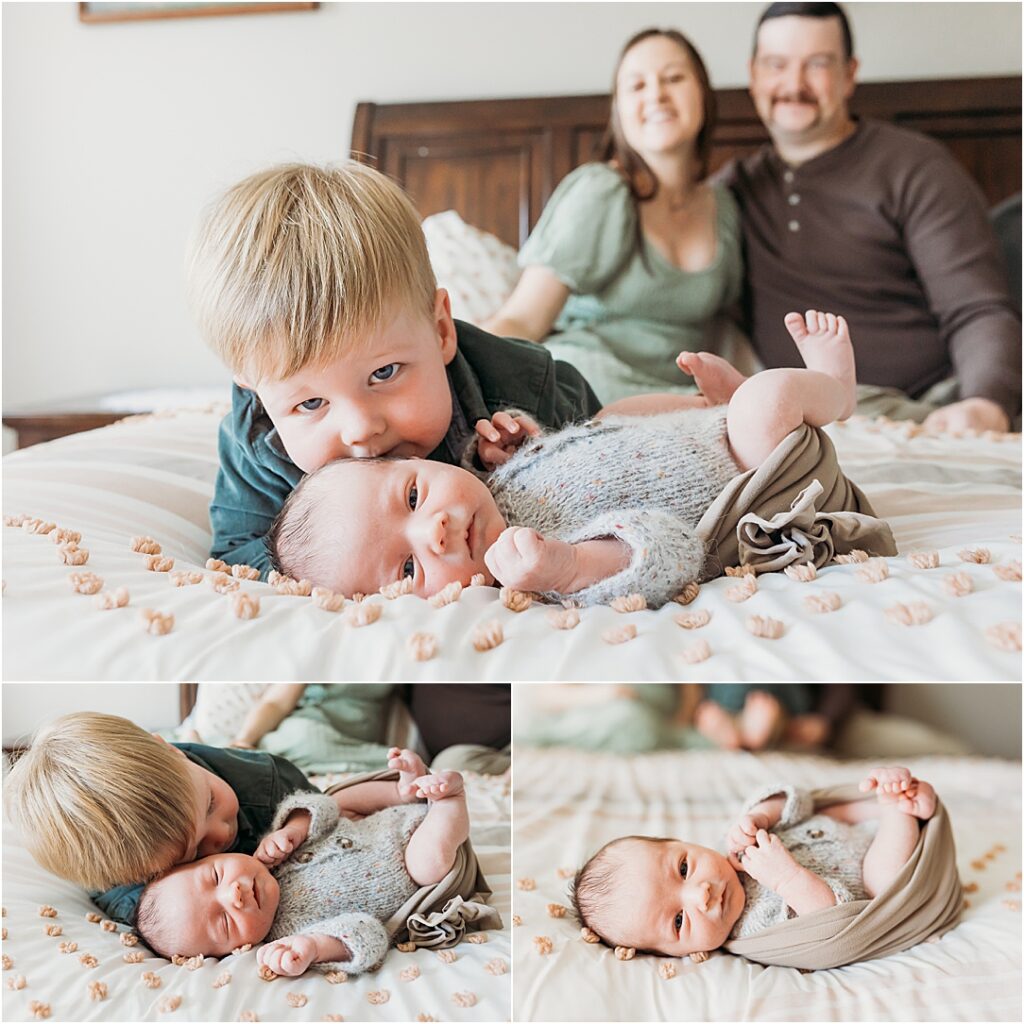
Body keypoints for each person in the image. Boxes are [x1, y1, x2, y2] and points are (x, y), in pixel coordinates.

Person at [267, 309, 894, 609]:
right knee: (765, 403)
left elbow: (577, 455)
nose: (433, 528)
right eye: (407, 569)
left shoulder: (491, 485)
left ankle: (719, 407)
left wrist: (519, 446)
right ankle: (830, 389)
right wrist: (568, 567)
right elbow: (669, 549)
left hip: (696, 439)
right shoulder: (536, 563)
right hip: (766, 476)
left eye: (411, 497)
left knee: (607, 415)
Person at [190, 162, 602, 577]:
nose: (360, 429)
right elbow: (238, 552)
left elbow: (616, 455)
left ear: (440, 330)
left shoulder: (524, 383)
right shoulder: (258, 440)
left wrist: (533, 463)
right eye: (311, 402)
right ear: (256, 389)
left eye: (384, 373)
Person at [719, 2, 1020, 432]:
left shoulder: (916, 168)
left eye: (817, 64)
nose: (794, 84)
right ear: (753, 75)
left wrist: (985, 403)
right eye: (776, 64)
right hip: (804, 418)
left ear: (849, 74)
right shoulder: (733, 190)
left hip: (923, 407)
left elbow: (977, 309)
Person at [483, 28, 743, 405]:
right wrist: (462, 376)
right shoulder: (601, 190)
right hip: (588, 381)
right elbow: (523, 319)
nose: (656, 94)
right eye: (636, 86)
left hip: (678, 396)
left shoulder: (726, 208)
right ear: (619, 110)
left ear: (703, 93)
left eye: (673, 78)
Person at [134, 750, 470, 976]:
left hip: (379, 817)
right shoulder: (290, 934)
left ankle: (405, 792)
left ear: (216, 857)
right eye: (224, 922)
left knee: (336, 799)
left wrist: (294, 829)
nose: (233, 895)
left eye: (217, 875)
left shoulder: (269, 852)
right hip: (415, 858)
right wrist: (314, 947)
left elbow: (320, 808)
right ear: (239, 950)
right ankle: (448, 802)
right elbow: (368, 934)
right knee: (428, 865)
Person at [569, 766, 938, 958]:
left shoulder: (730, 845)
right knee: (882, 882)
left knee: (836, 808)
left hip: (849, 824)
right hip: (874, 871)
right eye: (680, 921)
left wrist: (761, 816)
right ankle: (900, 813)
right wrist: (786, 879)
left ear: (685, 842)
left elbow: (798, 803)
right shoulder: (754, 928)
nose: (702, 895)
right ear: (678, 953)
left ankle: (894, 795)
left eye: (683, 868)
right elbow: (834, 922)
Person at [1, 712, 319, 925]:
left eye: (210, 804)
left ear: (169, 750)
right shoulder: (127, 880)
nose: (221, 834)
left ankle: (228, 741)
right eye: (193, 852)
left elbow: (315, 801)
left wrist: (296, 824)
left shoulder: (263, 782)